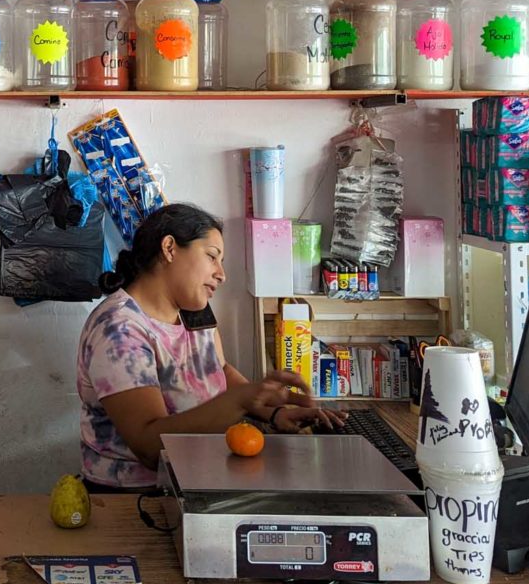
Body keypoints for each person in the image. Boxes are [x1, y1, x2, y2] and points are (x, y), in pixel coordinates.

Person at [76, 203, 345, 490]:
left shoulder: (193, 309)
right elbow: (150, 447)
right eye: (212, 257)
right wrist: (240, 401)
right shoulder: (119, 328)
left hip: (201, 472)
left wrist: (274, 410)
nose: (221, 274)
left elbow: (219, 369)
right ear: (169, 248)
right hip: (138, 495)